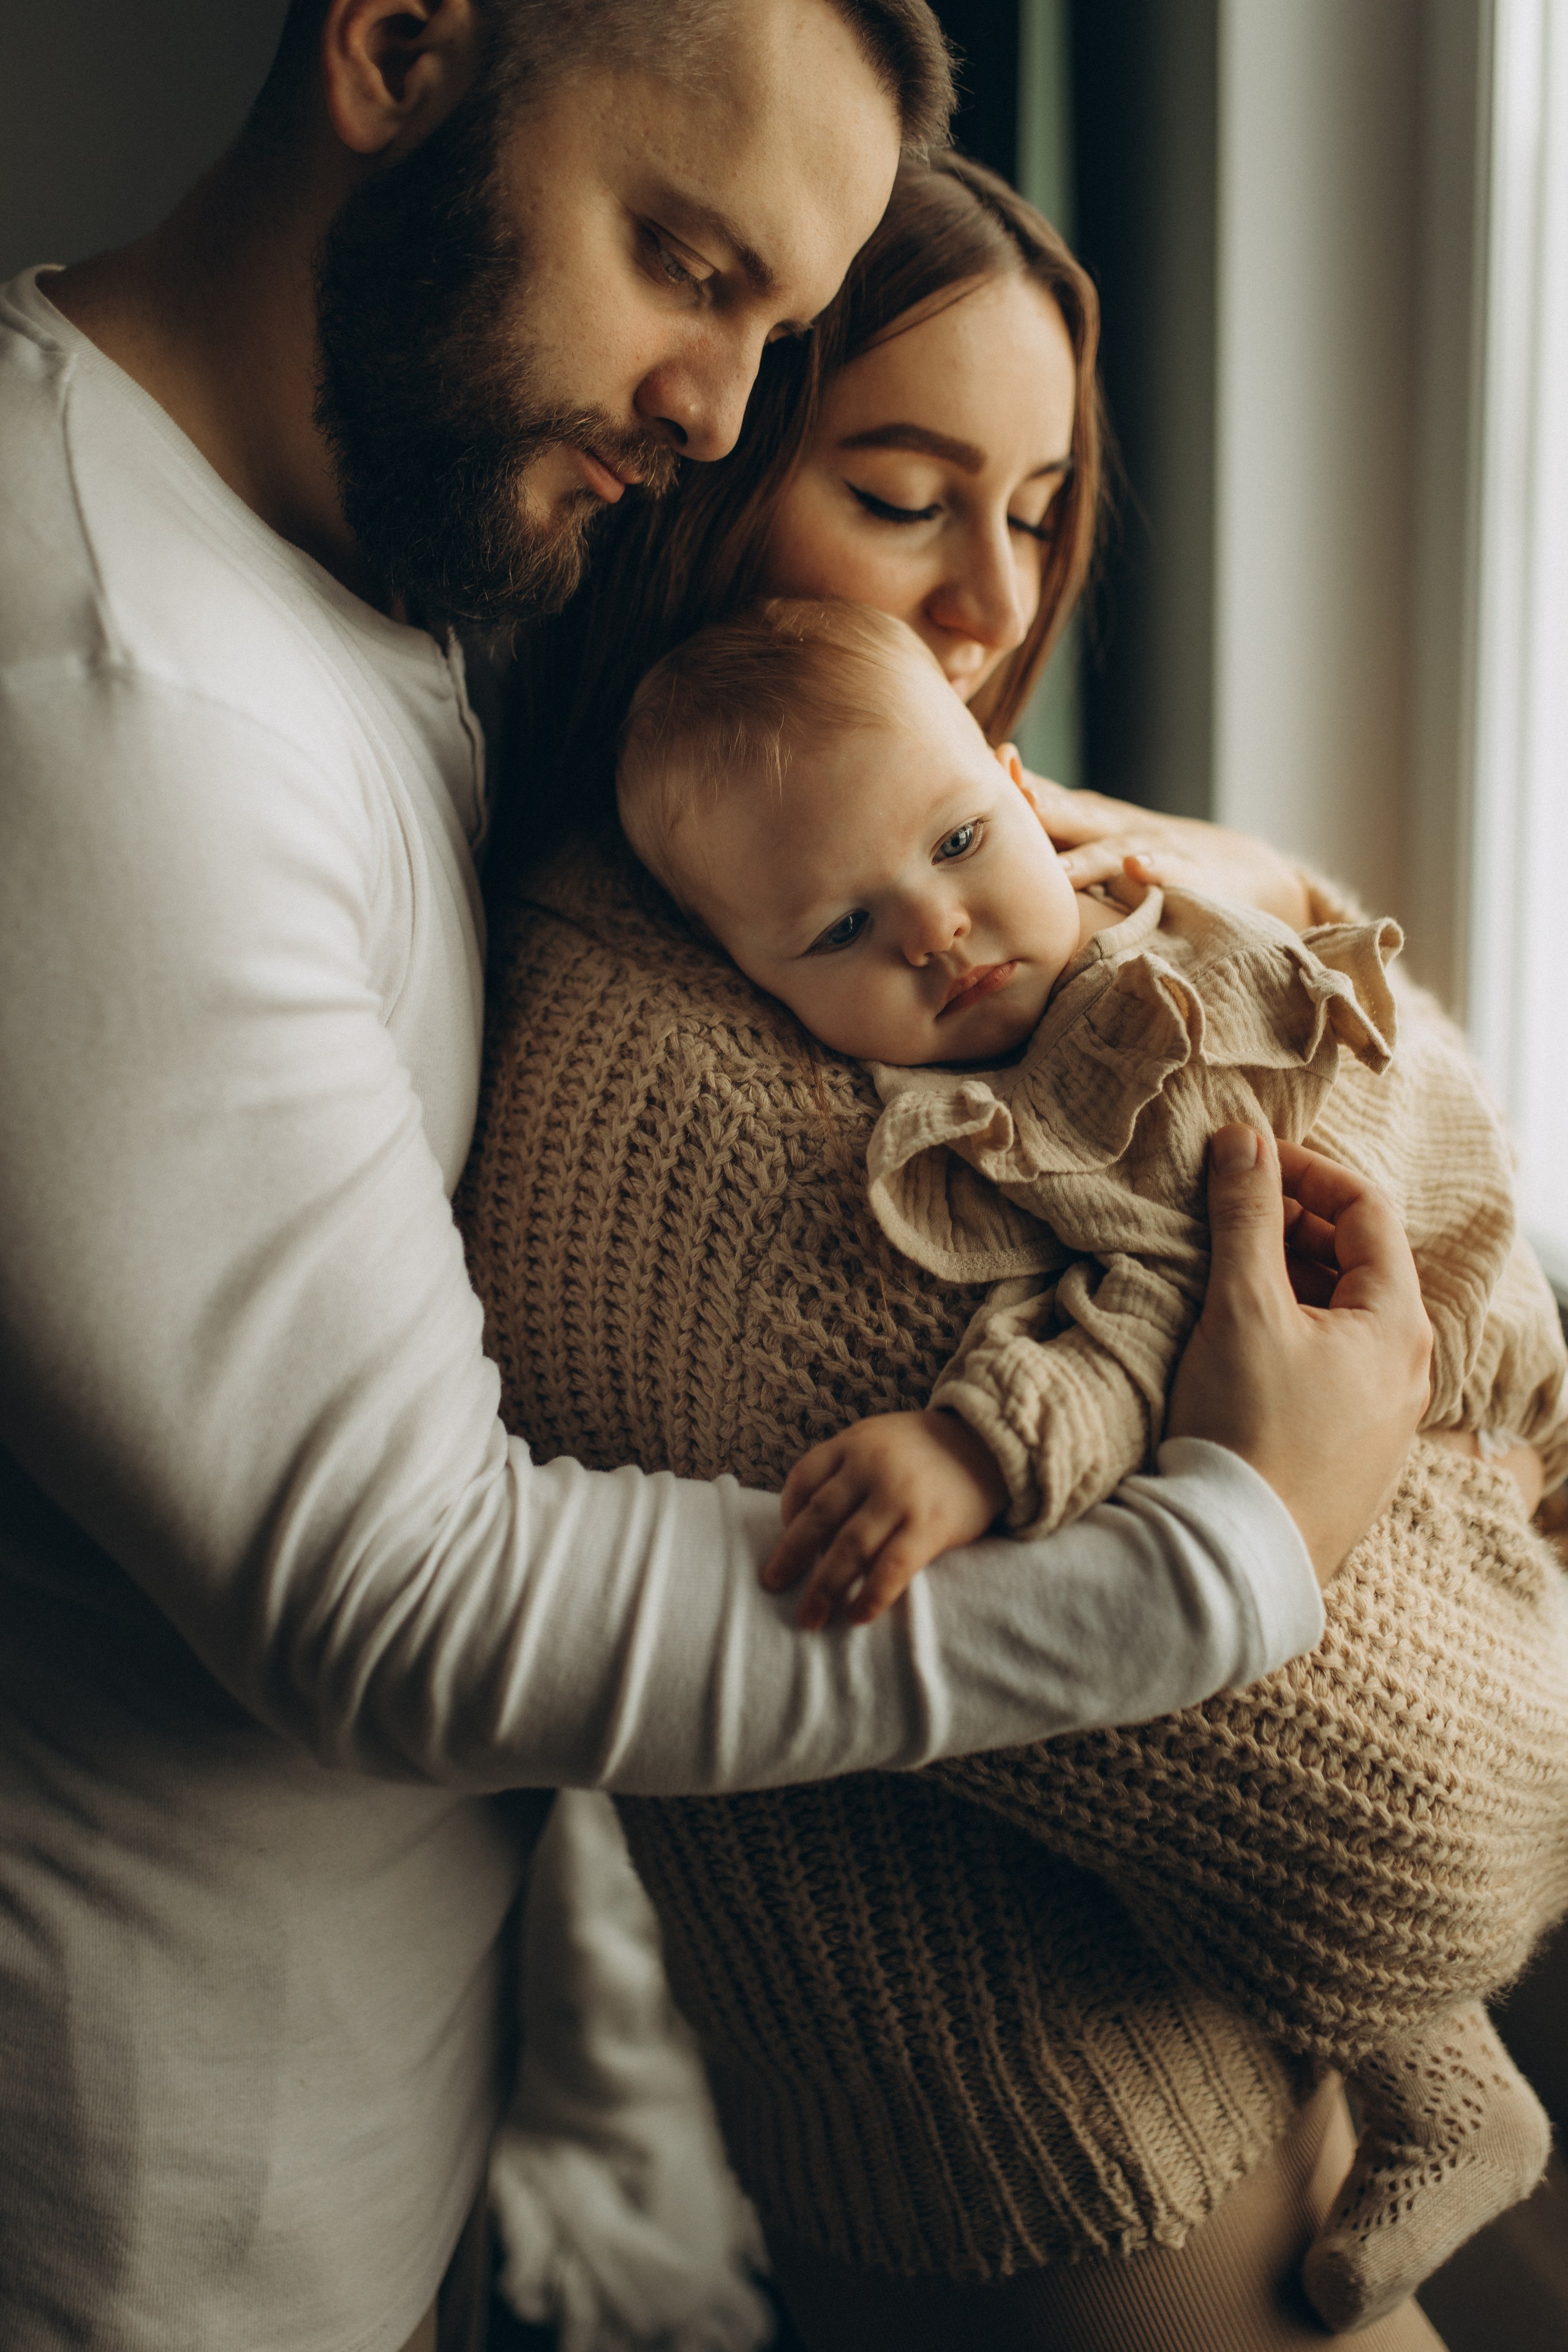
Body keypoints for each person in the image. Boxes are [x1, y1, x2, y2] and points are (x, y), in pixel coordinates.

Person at [0, 9, 1431, 2350]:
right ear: (399, 45)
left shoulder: (381, 564)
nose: (709, 411)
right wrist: (1232, 1548)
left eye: (774, 331)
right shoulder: (98, 672)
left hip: (375, 2182)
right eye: (682, 261)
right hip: (147, 2250)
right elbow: (405, 1592)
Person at [466, 153, 1561, 2348]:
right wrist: (1427, 1450)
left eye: (1041, 506)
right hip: (1104, 2226)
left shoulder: (976, 855)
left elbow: (1409, 1135)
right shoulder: (688, 1107)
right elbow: (1420, 1833)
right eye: (901, 493)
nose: (988, 600)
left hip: (1278, 2114)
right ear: (700, 456)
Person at [612, 591, 1568, 2330]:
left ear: (1015, 776)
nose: (942, 933)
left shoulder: (1141, 1016)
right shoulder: (909, 1088)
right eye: (843, 928)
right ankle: (1458, 2093)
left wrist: (979, 1452)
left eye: (965, 843)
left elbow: (1154, 1310)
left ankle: (1457, 2092)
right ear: (734, 980)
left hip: (1485, 1366)